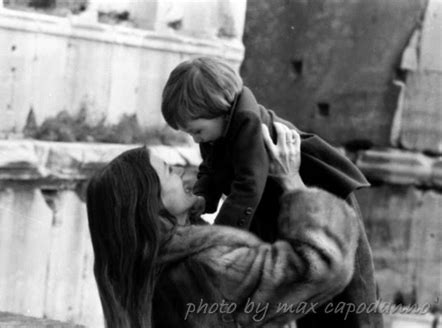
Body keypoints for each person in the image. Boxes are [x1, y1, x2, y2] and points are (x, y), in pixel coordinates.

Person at [161, 57, 383, 327]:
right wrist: (201, 199)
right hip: (271, 208)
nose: (195, 140)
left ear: (220, 108)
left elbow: (248, 187)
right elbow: (211, 170)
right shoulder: (215, 131)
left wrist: (219, 237)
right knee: (294, 294)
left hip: (318, 203)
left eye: (197, 131)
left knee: (350, 300)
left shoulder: (248, 124)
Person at [86, 122, 360, 328]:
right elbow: (321, 264)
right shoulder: (205, 264)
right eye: (169, 171)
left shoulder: (143, 265)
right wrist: (292, 182)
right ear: (151, 204)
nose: (180, 170)